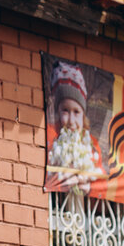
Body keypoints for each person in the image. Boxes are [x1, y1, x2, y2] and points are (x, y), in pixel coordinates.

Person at [45, 62, 104, 195]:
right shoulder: (50, 138)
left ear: (83, 115)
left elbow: (102, 183)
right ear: (57, 112)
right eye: (65, 111)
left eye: (76, 112)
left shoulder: (92, 145)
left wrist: (90, 188)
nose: (71, 121)